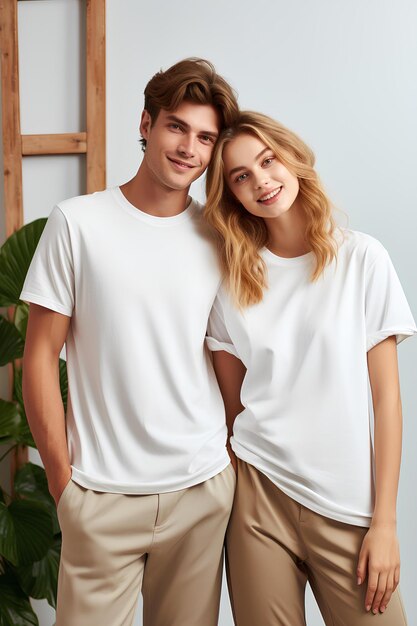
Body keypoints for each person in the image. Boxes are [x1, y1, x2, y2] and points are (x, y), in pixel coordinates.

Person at [21, 58, 239, 626]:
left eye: (205, 137)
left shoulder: (217, 237)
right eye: (176, 126)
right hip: (100, 494)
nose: (189, 147)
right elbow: (40, 358)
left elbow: (226, 359)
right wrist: (63, 486)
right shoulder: (77, 223)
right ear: (146, 123)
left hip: (200, 490)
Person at [204, 110, 416, 626]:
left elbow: (386, 401)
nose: (261, 181)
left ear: (293, 159)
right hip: (258, 501)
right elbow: (234, 406)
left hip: (347, 505)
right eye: (241, 176)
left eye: (267, 161)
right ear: (231, 193)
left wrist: (383, 522)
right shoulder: (232, 281)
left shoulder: (362, 259)